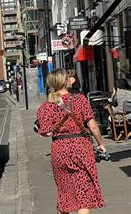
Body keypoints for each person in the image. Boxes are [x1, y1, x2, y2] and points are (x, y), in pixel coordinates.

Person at [36, 68, 105, 214]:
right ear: (65, 81)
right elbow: (92, 125)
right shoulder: (80, 99)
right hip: (81, 149)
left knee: (65, 193)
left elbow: (46, 133)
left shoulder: (46, 107)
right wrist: (100, 143)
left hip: (59, 150)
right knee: (83, 195)